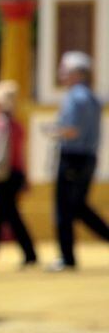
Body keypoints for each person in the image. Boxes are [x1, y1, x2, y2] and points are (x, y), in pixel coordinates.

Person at [46, 51, 109, 271]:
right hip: (88, 159)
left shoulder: (75, 97)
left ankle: (67, 257)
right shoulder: (91, 96)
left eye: (65, 71)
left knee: (65, 209)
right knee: (79, 207)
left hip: (72, 158)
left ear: (76, 74)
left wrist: (54, 131)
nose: (61, 75)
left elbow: (72, 130)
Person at [0, 81, 37, 268]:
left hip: (4, 175)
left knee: (0, 216)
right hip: (15, 173)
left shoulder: (0, 123)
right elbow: (22, 153)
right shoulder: (16, 123)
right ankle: (28, 254)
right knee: (9, 215)